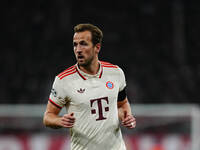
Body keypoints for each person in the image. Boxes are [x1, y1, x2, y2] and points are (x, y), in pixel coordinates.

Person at [43, 23, 136, 150]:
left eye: (83, 44)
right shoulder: (63, 80)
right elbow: (48, 117)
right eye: (75, 45)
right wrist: (59, 121)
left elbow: (122, 104)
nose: (78, 49)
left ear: (97, 47)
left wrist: (127, 116)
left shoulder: (116, 73)